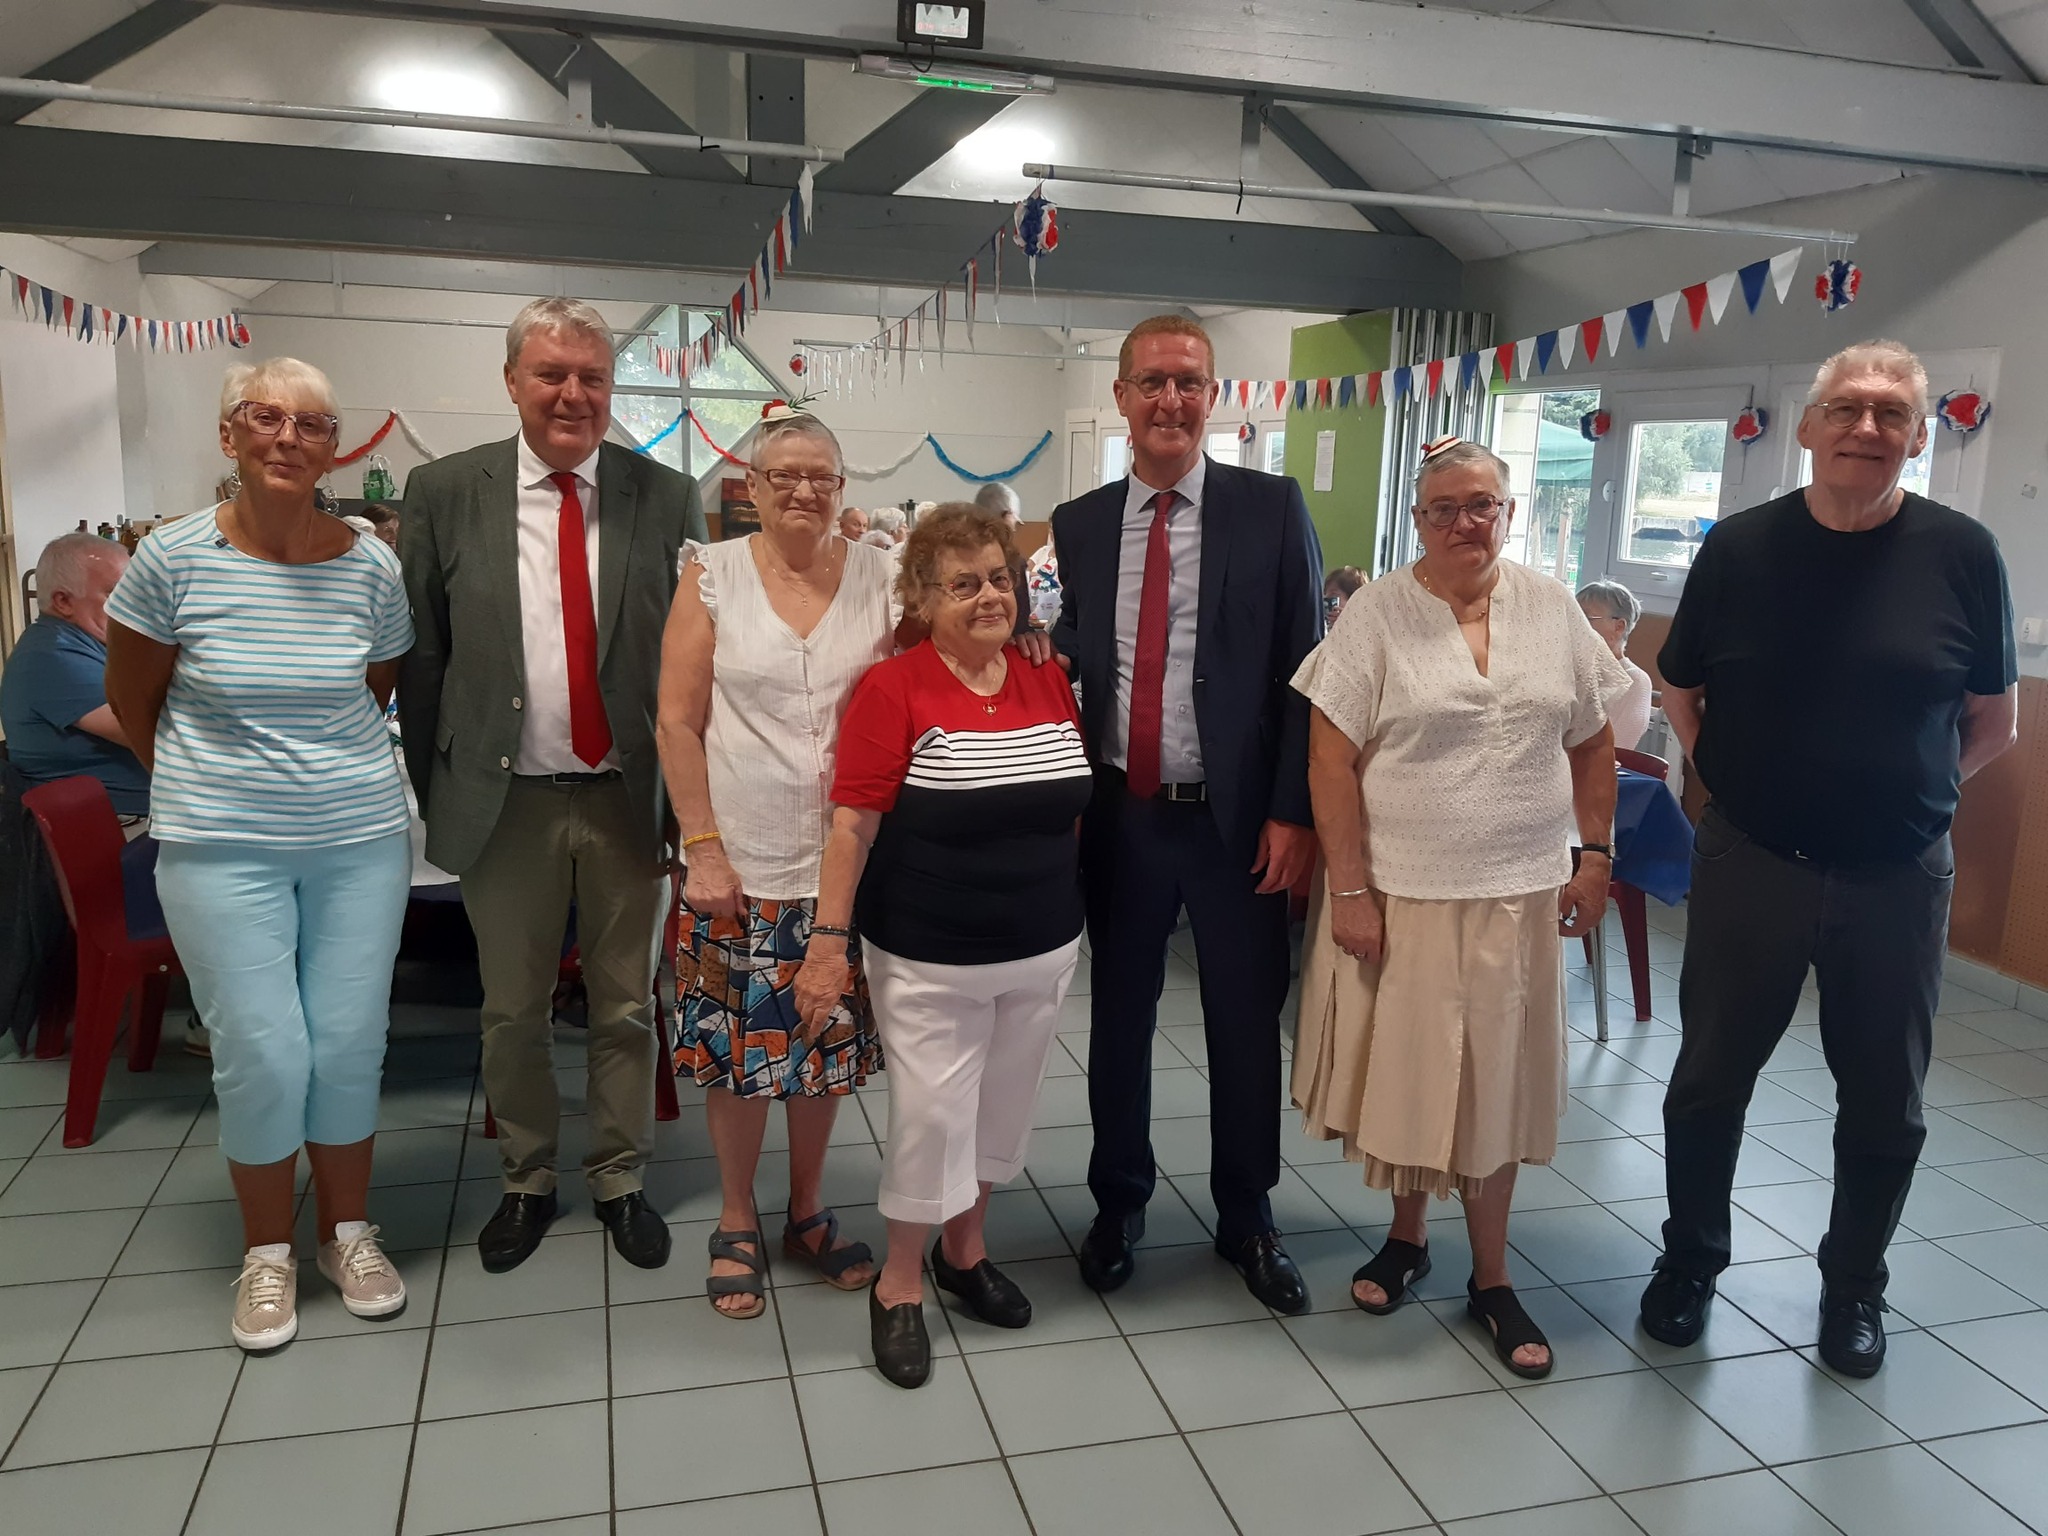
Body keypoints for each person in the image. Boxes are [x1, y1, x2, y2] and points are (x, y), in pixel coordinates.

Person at [1640, 340, 2017, 1379]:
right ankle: (1689, 1262)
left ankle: (1853, 1288)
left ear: (1918, 436)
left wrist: (1912, 800)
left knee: (1885, 1101)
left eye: (1890, 413)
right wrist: (1731, 783)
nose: (1865, 427)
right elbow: (1678, 688)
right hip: (1752, 861)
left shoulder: (1963, 554)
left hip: (1897, 876)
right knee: (1708, 1079)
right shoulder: (1738, 548)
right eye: (1845, 408)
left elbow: (1993, 724)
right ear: (1806, 427)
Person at [1293, 438, 1627, 1378]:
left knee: (1494, 1082)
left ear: (1509, 512)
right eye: (1443, 508)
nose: (1464, 522)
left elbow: (1593, 743)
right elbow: (1329, 761)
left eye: (1482, 504)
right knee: (1412, 1076)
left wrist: (1595, 856)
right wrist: (1348, 888)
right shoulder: (1376, 615)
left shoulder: (1553, 609)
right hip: (1403, 890)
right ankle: (1407, 1239)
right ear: (1417, 521)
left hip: (1520, 891)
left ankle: (1493, 1275)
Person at [103, 358, 416, 1351]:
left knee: (349, 1041)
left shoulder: (372, 566)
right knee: (264, 1051)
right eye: (265, 416)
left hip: (358, 841)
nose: (288, 436)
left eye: (311, 423)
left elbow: (373, 688)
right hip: (218, 848)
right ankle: (268, 1250)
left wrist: (311, 779)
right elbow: (133, 699)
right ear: (229, 435)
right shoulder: (171, 559)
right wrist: (214, 787)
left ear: (334, 449)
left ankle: (346, 1234)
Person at [398, 297, 707, 1275]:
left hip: (627, 801)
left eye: (592, 377)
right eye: (551, 374)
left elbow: (693, 663)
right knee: (511, 1012)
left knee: (625, 1007)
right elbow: (422, 661)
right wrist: (444, 794)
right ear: (512, 381)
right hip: (506, 805)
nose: (573, 394)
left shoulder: (668, 495)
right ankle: (527, 1179)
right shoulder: (446, 491)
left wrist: (689, 809)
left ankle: (619, 1177)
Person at [1050, 314, 1323, 1312]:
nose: (1171, 399)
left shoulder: (1269, 507)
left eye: (1190, 382)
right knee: (1119, 1020)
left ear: (1214, 398)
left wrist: (1293, 812)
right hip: (1122, 816)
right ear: (1121, 396)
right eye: (1153, 381)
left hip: (1237, 824)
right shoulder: (1080, 524)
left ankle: (1246, 1214)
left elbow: (1307, 670)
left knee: (1244, 1023)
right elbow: (1077, 654)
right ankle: (1118, 1200)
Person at [808, 505, 1092, 1387]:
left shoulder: (1045, 676)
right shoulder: (893, 688)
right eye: (963, 584)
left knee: (1004, 1110)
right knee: (933, 1117)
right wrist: (828, 944)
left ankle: (964, 1254)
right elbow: (852, 826)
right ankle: (899, 1283)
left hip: (1042, 945)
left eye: (999, 579)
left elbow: (1067, 805)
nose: (988, 597)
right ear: (924, 599)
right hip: (930, 954)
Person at [656, 410, 890, 1320]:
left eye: (820, 476)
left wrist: (1023, 632)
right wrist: (702, 848)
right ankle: (736, 1215)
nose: (802, 490)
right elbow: (677, 721)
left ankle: (806, 1210)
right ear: (750, 488)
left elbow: (952, 649)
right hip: (739, 868)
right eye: (782, 475)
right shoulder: (711, 575)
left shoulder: (882, 576)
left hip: (846, 867)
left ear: (842, 488)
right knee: (736, 1052)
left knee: (823, 1051)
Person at [2, 534, 150, 825]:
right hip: (112, 827)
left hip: (144, 813)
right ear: (64, 601)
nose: (136, 606)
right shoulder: (50, 656)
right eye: (118, 593)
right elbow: (152, 734)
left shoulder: (94, 643)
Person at [1576, 579, 1653, 750]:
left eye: (1586, 618)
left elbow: (1616, 747)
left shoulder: (1634, 680)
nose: (1574, 625)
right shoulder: (1573, 669)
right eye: (1573, 616)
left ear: (1618, 627)